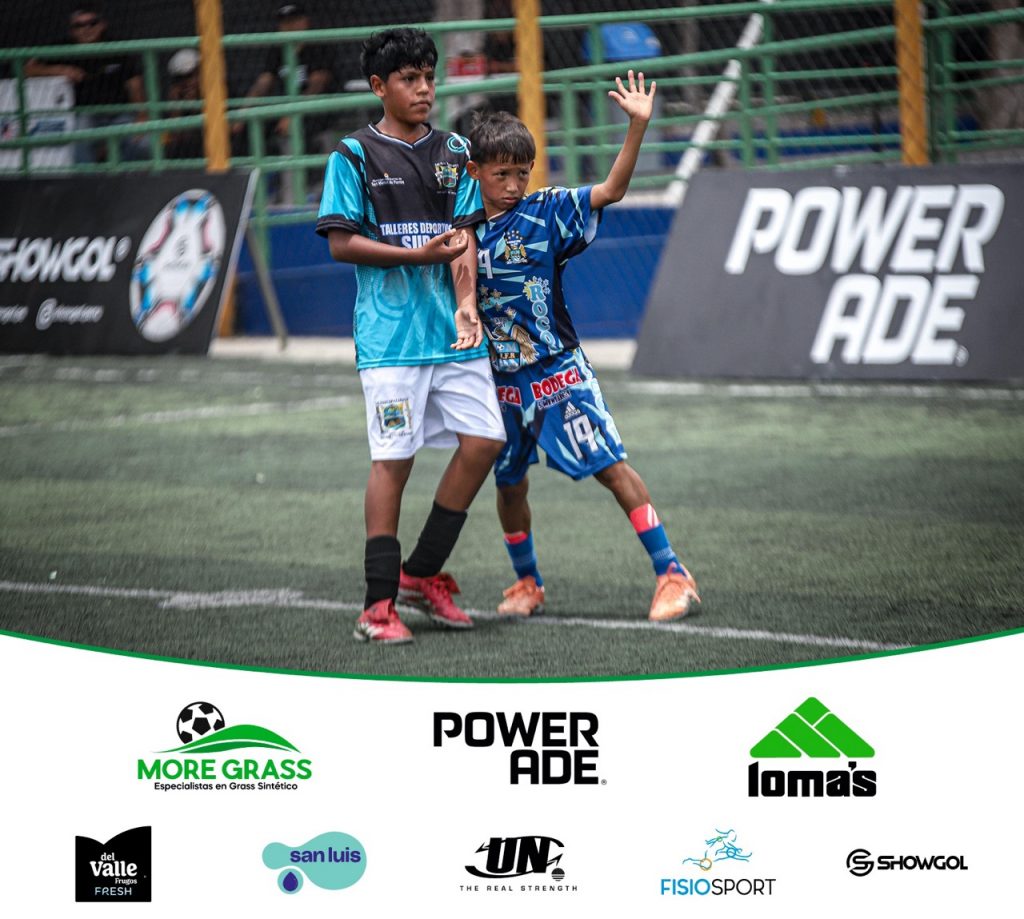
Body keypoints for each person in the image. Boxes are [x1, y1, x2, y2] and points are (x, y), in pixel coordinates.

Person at [467, 71, 700, 622]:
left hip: (559, 375)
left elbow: (610, 190)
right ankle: (527, 582)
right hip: (500, 384)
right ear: (473, 171)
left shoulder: (545, 212)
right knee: (508, 483)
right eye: (501, 174)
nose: (513, 185)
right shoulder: (461, 229)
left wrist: (636, 127)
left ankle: (672, 573)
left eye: (522, 173)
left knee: (610, 467)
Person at [315, 28, 506, 645]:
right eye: (409, 79)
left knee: (485, 441)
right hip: (391, 340)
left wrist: (467, 303)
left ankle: (420, 573)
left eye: (429, 76)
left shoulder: (455, 150)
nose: (424, 88)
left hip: (452, 334)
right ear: (379, 86)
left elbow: (464, 234)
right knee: (393, 462)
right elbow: (342, 243)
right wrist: (415, 254)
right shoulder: (353, 155)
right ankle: (378, 607)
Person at [25, 4, 147, 163]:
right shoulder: (62, 48)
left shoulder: (118, 48)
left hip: (119, 113)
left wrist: (142, 116)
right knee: (80, 135)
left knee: (144, 143)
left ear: (102, 25)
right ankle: (86, 178)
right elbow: (27, 69)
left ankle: (128, 177)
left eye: (92, 23)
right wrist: (59, 69)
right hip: (84, 114)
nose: (86, 29)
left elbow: (135, 85)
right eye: (79, 25)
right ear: (72, 30)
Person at [239, 4, 336, 158]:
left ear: (305, 22)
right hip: (285, 108)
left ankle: (298, 172)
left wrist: (293, 115)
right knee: (251, 124)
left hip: (316, 108)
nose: (290, 27)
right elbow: (264, 82)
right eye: (285, 23)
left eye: (294, 21)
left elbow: (316, 86)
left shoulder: (317, 46)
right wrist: (242, 111)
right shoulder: (277, 50)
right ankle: (259, 170)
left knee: (293, 127)